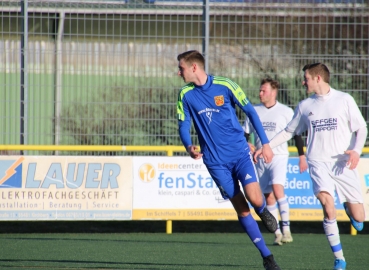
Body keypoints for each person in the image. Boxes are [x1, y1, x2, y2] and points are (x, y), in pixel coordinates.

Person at [255, 63, 367, 270]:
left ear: (317, 78)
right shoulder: (305, 105)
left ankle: (350, 210)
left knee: (360, 217)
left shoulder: (344, 100)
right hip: (317, 162)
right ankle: (339, 258)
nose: (303, 81)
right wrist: (267, 146)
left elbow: (361, 128)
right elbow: (289, 131)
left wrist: (356, 151)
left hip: (342, 163)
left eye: (305, 77)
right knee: (327, 204)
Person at [176, 50, 281, 270]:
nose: (179, 73)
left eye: (181, 68)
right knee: (241, 209)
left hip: (240, 154)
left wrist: (266, 143)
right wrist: (188, 147)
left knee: (255, 199)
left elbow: (251, 112)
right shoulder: (185, 94)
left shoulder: (226, 85)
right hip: (215, 162)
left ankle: (263, 211)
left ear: (194, 67)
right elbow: (183, 124)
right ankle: (267, 257)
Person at [243, 78, 308, 246]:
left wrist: (302, 156)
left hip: (278, 156)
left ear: (274, 92)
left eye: (264, 90)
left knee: (278, 190)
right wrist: (247, 143)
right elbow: (245, 133)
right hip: (259, 157)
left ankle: (287, 230)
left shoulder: (285, 111)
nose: (260, 93)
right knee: (268, 196)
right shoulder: (254, 110)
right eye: (260, 90)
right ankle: (277, 233)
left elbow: (296, 134)